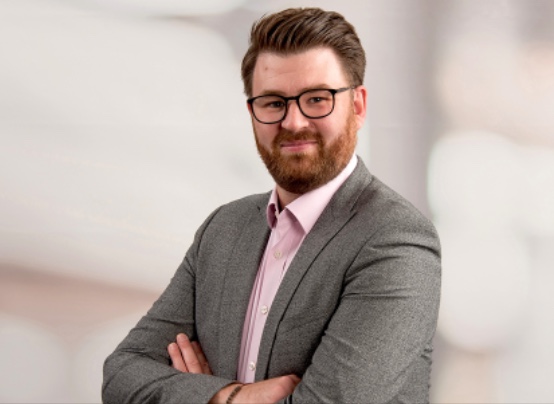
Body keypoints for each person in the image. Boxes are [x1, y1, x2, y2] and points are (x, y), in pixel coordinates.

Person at [102, 7, 441, 404]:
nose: (293, 122)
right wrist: (231, 397)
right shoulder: (223, 229)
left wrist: (194, 396)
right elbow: (121, 374)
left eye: (318, 99)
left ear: (358, 106)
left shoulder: (396, 240)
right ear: (252, 112)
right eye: (273, 103)